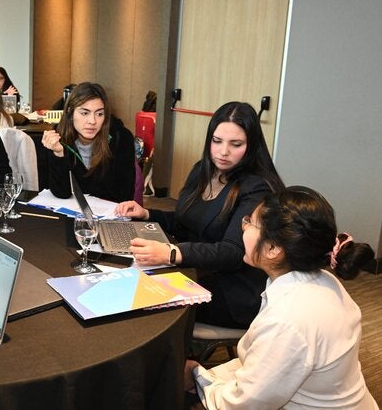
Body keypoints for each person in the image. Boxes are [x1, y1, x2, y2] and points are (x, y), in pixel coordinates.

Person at [186, 186, 377, 408]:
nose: (243, 226)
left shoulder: (287, 320)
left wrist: (197, 375)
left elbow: (243, 403)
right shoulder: (325, 281)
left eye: (250, 223)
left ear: (273, 248)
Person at [115, 101, 285, 328]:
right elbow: (187, 223)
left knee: (142, 296)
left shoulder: (257, 187)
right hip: (198, 268)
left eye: (236, 144)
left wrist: (172, 253)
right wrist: (147, 214)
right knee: (127, 276)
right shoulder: (203, 170)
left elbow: (232, 252)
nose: (223, 152)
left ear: (252, 146)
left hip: (234, 290)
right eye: (217, 141)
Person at [41, 82, 136, 203]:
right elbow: (61, 193)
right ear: (70, 112)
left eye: (99, 114)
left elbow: (123, 195)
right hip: (71, 209)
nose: (92, 121)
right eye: (85, 113)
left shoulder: (121, 138)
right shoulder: (58, 137)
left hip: (110, 211)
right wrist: (59, 154)